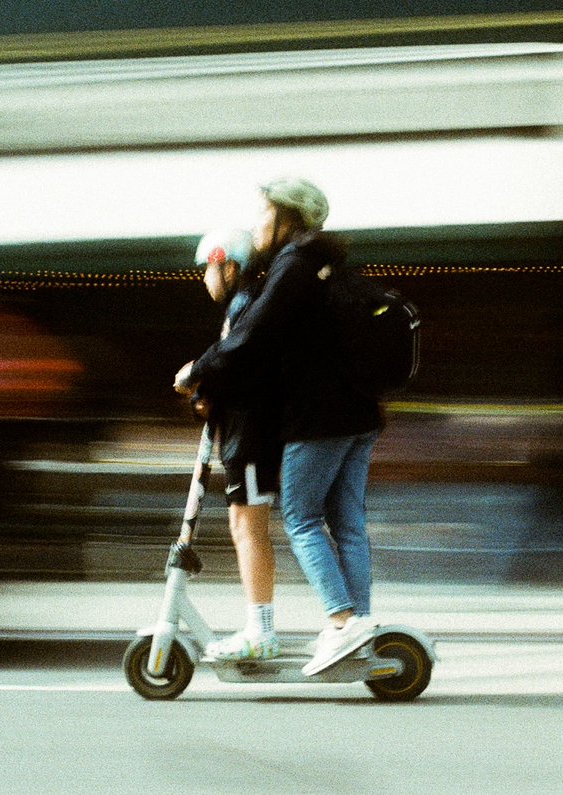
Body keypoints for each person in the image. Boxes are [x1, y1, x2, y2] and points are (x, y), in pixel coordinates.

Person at [177, 178, 384, 676]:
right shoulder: (328, 264)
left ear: (288, 216)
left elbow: (255, 339)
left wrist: (199, 373)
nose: (257, 222)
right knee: (347, 524)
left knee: (302, 520)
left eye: (263, 211)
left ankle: (342, 622)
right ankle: (358, 625)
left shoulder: (294, 265)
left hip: (319, 415)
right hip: (359, 412)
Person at [174, 227, 284, 661]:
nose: (204, 278)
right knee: (244, 529)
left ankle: (262, 631)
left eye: (208, 268)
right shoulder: (244, 306)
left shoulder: (247, 304)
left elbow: (240, 362)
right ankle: (259, 627)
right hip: (244, 435)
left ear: (230, 265)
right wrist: (205, 394)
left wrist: (197, 376)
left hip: (253, 437)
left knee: (250, 531)